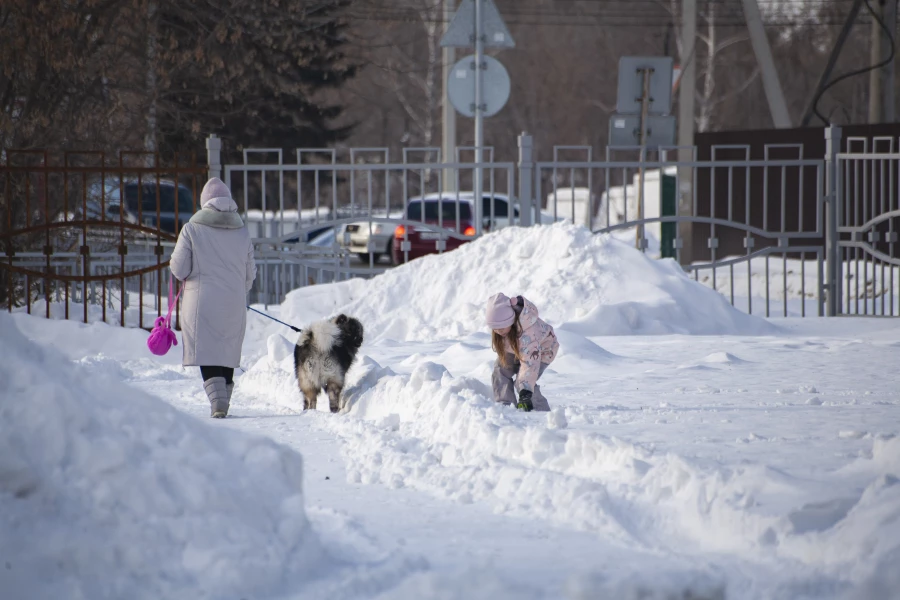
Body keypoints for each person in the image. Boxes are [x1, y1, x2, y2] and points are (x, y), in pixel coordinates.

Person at [170, 177, 256, 418]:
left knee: (208, 349)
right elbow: (250, 275)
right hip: (234, 303)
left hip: (202, 303)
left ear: (204, 204)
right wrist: (235, 289)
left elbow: (179, 269)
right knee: (226, 349)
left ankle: (218, 402)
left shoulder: (191, 229)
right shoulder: (242, 232)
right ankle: (223, 400)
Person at [485, 293, 559, 412]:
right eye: (495, 328)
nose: (499, 331)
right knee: (500, 369)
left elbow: (530, 365)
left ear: (511, 320)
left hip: (542, 351)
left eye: (502, 327)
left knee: (524, 382)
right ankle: (505, 406)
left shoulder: (528, 332)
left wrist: (525, 393)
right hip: (517, 349)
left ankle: (541, 411)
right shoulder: (504, 330)